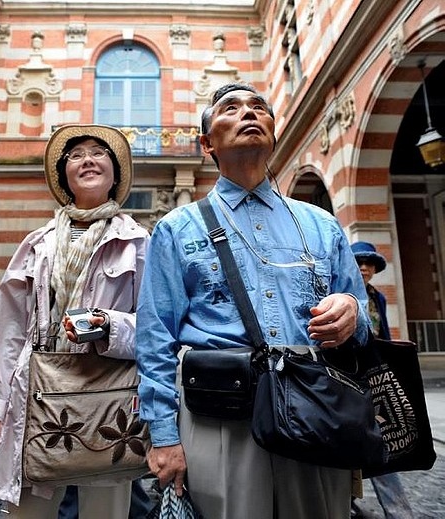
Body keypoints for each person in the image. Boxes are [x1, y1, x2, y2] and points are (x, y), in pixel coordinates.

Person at [135, 82, 371, 519]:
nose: (249, 113)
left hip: (313, 404)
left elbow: (362, 322)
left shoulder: (320, 225)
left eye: (259, 107)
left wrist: (352, 313)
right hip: (217, 411)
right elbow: (155, 338)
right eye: (231, 108)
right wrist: (164, 436)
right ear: (207, 144)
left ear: (273, 132)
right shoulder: (176, 228)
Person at [0, 124, 149, 518]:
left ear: (114, 172)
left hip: (105, 391)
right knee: (26, 510)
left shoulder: (139, 241)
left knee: (104, 509)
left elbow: (157, 328)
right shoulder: (37, 243)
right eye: (76, 154)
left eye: (99, 152)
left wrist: (108, 325)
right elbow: (10, 333)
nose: (88, 159)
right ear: (64, 174)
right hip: (37, 386)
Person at [350, 241, 414, 519]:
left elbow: (383, 334)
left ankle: (398, 511)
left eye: (370, 263)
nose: (364, 267)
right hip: (348, 377)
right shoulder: (340, 292)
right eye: (359, 262)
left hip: (376, 376)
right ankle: (346, 498)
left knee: (383, 439)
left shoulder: (379, 297)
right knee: (349, 438)